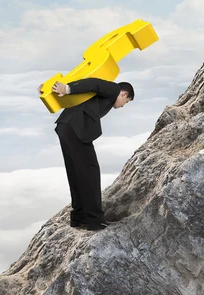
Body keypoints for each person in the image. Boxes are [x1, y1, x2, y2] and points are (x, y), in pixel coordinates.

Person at [37, 77, 134, 231]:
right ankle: (95, 220)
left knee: (76, 172)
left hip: (65, 127)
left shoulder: (103, 98)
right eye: (126, 102)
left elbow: (79, 80)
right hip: (76, 129)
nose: (123, 106)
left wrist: (48, 88)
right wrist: (67, 89)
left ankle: (79, 217)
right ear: (123, 94)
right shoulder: (113, 89)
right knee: (90, 172)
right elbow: (93, 83)